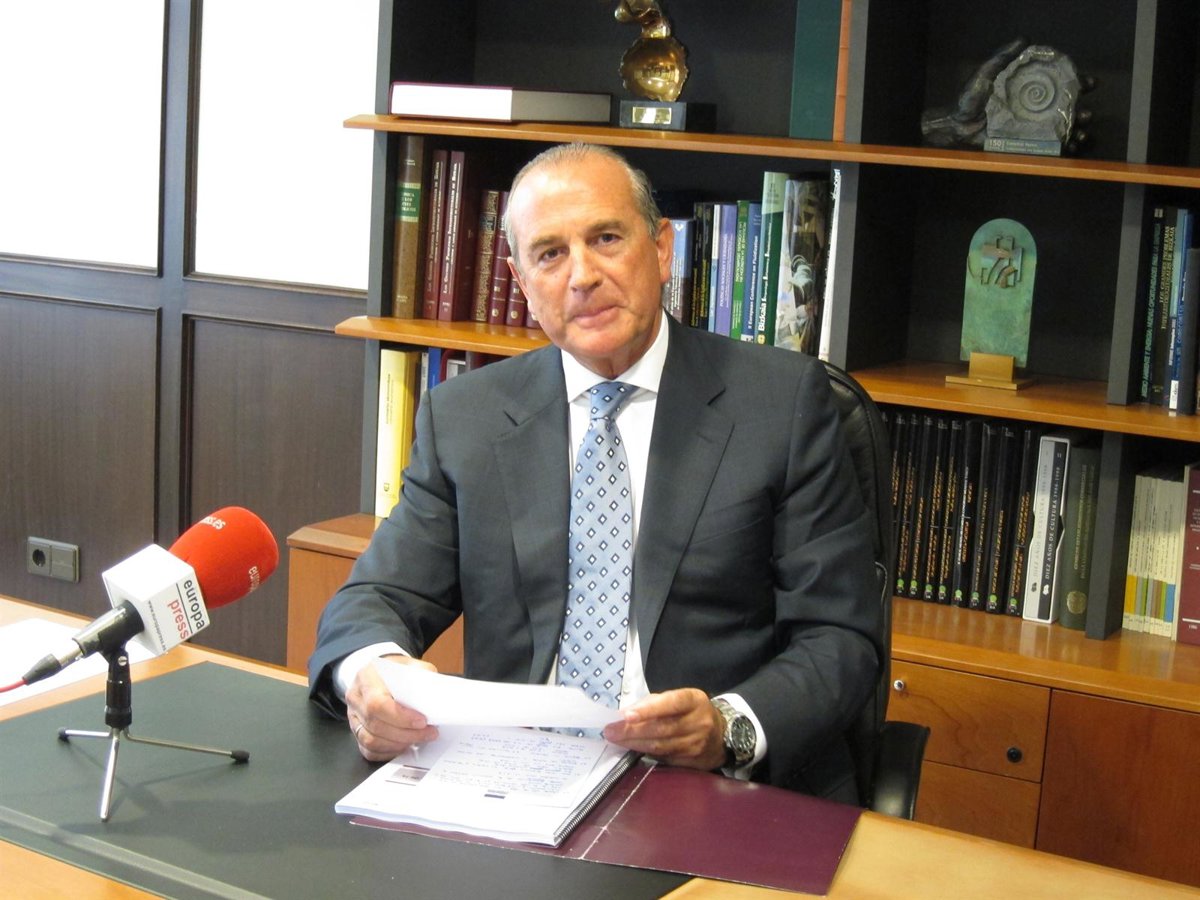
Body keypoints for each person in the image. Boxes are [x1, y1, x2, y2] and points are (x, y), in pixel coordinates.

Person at [308, 142, 882, 802]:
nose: (581, 275)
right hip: (516, 786)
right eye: (550, 254)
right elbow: (375, 599)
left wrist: (728, 728)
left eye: (606, 238)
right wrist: (373, 676)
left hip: (708, 788)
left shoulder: (780, 405)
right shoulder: (466, 418)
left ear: (661, 250)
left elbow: (840, 637)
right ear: (522, 282)